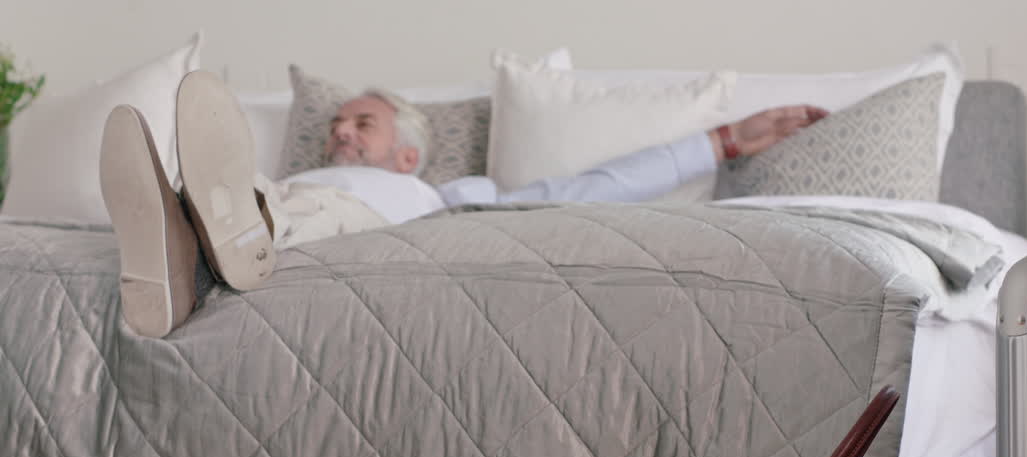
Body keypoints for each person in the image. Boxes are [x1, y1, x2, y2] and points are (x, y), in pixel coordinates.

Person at [100, 70, 827, 338]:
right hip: (282, 201)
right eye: (335, 125)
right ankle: (190, 225)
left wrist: (723, 141)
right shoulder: (316, 174)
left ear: (408, 155)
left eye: (363, 124)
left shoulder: (439, 197)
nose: (342, 133)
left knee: (306, 212)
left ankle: (208, 230)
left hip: (338, 224)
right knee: (276, 198)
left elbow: (593, 190)